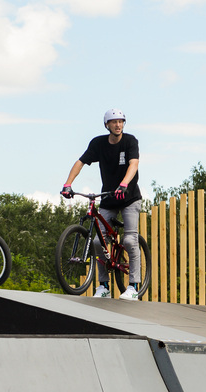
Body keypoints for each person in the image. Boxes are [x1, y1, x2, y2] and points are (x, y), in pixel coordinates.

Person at [61, 108, 142, 300]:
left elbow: (134, 164)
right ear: (107, 125)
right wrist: (67, 184)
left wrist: (124, 184)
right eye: (114, 122)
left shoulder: (130, 141)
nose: (118, 125)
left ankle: (133, 286)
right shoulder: (98, 144)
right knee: (98, 241)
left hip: (129, 197)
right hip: (108, 197)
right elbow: (80, 162)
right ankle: (103, 286)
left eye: (121, 121)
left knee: (130, 240)